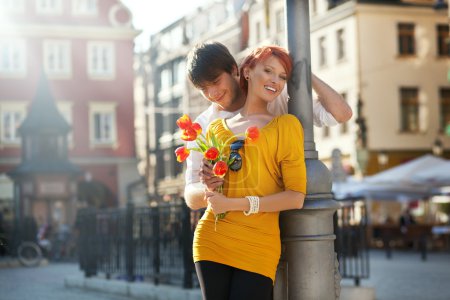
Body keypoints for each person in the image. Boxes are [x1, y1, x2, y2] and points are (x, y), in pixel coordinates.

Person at [192, 45, 306, 299]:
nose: (275, 81)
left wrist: (233, 203)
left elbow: (296, 196)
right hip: (213, 238)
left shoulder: (286, 126)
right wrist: (210, 183)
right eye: (268, 71)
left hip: (259, 243)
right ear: (247, 71)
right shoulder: (215, 129)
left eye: (282, 77)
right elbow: (214, 189)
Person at [184, 41, 352, 209]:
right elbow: (190, 194)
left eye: (215, 82)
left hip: (285, 217)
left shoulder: (277, 95)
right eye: (203, 89)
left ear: (234, 69)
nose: (212, 93)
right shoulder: (203, 125)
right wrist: (209, 187)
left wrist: (305, 73)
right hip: (229, 224)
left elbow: (341, 114)